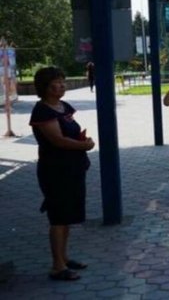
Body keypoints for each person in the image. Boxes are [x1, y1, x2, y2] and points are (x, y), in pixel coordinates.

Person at [29, 66, 95, 282]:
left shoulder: (63, 106)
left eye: (62, 81)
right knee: (58, 217)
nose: (61, 86)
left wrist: (83, 141)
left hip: (73, 169)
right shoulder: (42, 111)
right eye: (55, 83)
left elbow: (71, 132)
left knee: (67, 216)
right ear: (45, 87)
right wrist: (83, 147)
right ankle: (57, 266)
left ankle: (64, 258)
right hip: (55, 171)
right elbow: (57, 140)